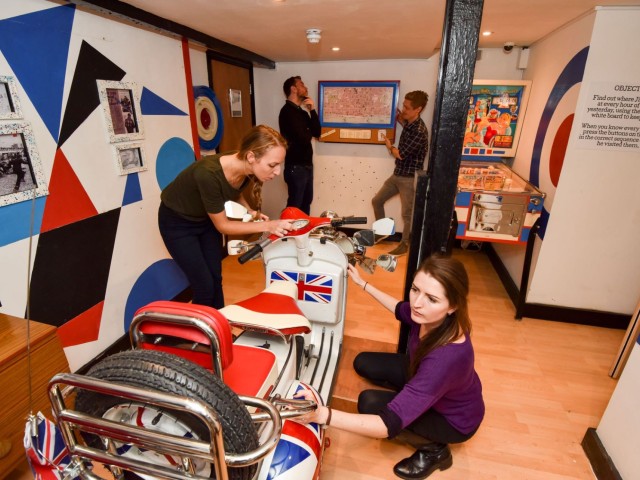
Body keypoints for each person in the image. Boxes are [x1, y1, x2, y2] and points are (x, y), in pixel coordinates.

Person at [294, 255, 484, 480]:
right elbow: (399, 308)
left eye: (432, 299)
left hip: (453, 420)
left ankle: (435, 450)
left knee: (368, 403)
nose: (417, 303)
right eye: (415, 290)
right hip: (423, 373)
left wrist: (321, 414)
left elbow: (386, 425)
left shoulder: (444, 359)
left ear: (453, 306)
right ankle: (413, 398)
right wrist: (363, 284)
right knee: (363, 362)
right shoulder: (431, 316)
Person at [158, 125, 294, 309]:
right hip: (178, 223)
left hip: (204, 219)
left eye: (279, 165)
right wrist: (269, 226)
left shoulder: (242, 165)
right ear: (251, 157)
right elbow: (223, 226)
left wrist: (249, 211)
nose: (277, 172)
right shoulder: (208, 174)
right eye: (272, 165)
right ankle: (200, 328)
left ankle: (218, 323)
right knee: (204, 287)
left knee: (215, 278)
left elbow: (232, 187)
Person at [372, 91, 429, 256]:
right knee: (377, 201)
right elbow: (403, 121)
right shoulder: (410, 123)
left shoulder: (419, 130)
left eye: (407, 108)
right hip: (398, 174)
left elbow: (400, 154)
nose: (403, 110)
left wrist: (389, 146)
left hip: (408, 178)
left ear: (418, 109)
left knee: (407, 214)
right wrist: (398, 117)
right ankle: (382, 232)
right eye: (403, 106)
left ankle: (404, 244)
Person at [278, 76, 321, 215]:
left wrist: (312, 110)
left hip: (307, 165)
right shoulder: (286, 112)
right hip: (295, 167)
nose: (306, 87)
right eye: (302, 84)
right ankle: (288, 229)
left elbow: (317, 132)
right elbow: (303, 138)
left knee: (306, 202)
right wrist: (307, 132)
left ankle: (304, 229)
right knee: (295, 205)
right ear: (293, 89)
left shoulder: (302, 113)